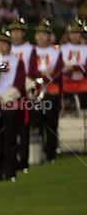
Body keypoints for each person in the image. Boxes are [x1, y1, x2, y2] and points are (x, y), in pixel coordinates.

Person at [0, 30, 25, 183]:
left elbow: (19, 84)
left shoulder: (18, 61)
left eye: (4, 43)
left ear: (9, 46)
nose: (1, 46)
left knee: (10, 139)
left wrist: (3, 98)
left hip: (10, 104)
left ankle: (10, 171)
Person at [31, 19, 64, 163]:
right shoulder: (31, 51)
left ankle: (51, 153)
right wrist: (45, 73)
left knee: (51, 124)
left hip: (52, 91)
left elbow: (57, 73)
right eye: (39, 33)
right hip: (35, 93)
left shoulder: (56, 52)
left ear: (49, 36)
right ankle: (39, 153)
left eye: (44, 33)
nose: (41, 36)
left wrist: (41, 74)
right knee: (36, 122)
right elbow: (30, 72)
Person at [8, 17, 35, 172]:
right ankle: (11, 160)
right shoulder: (5, 48)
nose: (16, 34)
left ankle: (23, 160)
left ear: (23, 33)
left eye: (19, 31)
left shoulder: (30, 49)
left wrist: (19, 87)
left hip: (23, 91)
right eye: (14, 31)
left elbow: (31, 72)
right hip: (7, 93)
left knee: (23, 126)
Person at [60, 21, 87, 111]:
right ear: (69, 34)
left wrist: (72, 67)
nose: (75, 35)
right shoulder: (62, 49)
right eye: (73, 33)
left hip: (83, 84)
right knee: (68, 111)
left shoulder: (85, 49)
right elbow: (60, 67)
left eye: (77, 33)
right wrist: (78, 68)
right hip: (67, 84)